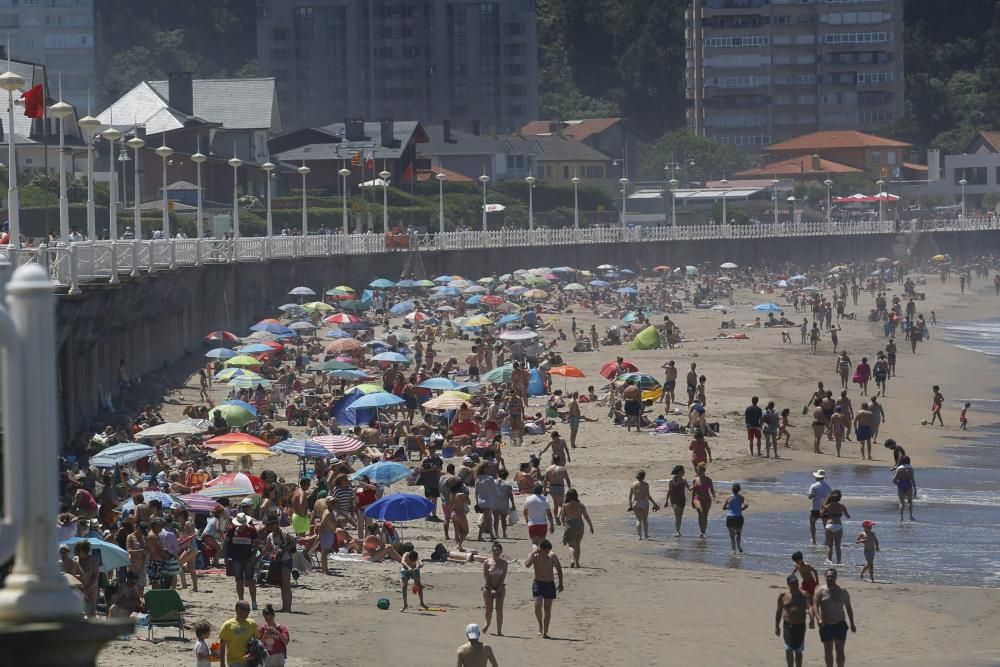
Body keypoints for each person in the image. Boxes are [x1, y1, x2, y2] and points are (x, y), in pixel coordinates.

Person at [813, 569, 857, 667]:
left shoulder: (842, 591)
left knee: (840, 651)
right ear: (825, 577)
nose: (830, 578)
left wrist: (852, 623)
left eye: (832, 576)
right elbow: (815, 606)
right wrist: (818, 619)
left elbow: (848, 608)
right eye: (828, 576)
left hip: (840, 624)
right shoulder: (820, 591)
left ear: (836, 577)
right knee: (828, 651)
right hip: (825, 625)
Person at [525, 539, 564, 639]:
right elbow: (527, 565)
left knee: (547, 609)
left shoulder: (552, 556)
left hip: (549, 584)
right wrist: (533, 553)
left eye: (548, 551)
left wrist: (561, 583)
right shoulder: (535, 555)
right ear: (540, 549)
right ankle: (540, 626)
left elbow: (559, 569)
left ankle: (546, 631)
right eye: (545, 551)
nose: (547, 553)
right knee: (537, 606)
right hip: (538, 583)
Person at [224, 512, 259, 610]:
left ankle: (254, 601)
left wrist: (253, 556)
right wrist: (226, 557)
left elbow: (257, 544)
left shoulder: (251, 530)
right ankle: (241, 601)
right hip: (236, 558)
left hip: (248, 558)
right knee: (238, 580)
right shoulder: (232, 530)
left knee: (251, 580)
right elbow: (225, 544)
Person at [776, 574, 810, 667]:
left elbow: (810, 607)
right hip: (787, 626)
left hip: (800, 626)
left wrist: (812, 619)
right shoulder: (783, 595)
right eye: (793, 583)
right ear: (788, 584)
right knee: (788, 649)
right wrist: (777, 626)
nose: (795, 584)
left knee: (798, 650)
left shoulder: (804, 595)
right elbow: (779, 611)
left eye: (796, 582)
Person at [263, 520, 294, 612]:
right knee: (282, 585)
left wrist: (284, 549)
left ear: (276, 524)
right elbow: (266, 549)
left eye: (273, 524)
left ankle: (288, 607)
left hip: (286, 560)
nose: (271, 526)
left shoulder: (284, 533)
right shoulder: (270, 536)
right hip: (277, 561)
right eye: (270, 525)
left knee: (286, 585)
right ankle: (285, 607)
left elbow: (292, 543)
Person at [559, 488, 594, 568]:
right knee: (578, 545)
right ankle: (577, 563)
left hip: (570, 525)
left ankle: (572, 560)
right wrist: (591, 526)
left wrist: (564, 525)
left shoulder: (565, 505)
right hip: (580, 525)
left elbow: (562, 518)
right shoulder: (580, 505)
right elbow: (586, 516)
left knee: (571, 545)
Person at [219, 600, 258, 667]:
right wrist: (222, 663)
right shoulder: (228, 625)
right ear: (238, 609)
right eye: (247, 610)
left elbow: (257, 642)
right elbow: (222, 646)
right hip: (234, 661)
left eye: (249, 610)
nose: (249, 612)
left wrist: (253, 654)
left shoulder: (252, 623)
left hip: (250, 661)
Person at [482, 541, 508, 636]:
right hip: (488, 588)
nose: (496, 552)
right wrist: (490, 589)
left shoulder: (504, 563)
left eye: (498, 550)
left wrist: (498, 589)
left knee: (499, 609)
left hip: (500, 587)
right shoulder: (487, 562)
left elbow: (502, 578)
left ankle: (499, 631)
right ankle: (488, 623)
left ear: (501, 551)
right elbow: (486, 576)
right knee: (489, 609)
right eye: (494, 551)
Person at [627, 470, 660, 540]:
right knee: (645, 519)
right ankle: (646, 535)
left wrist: (630, 505)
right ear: (644, 476)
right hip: (644, 503)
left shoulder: (633, 484)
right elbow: (648, 496)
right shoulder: (645, 484)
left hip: (636, 502)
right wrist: (655, 504)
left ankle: (639, 536)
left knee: (638, 520)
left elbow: (630, 496)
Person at [791, 551, 819, 628]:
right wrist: (791, 576)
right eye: (795, 561)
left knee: (811, 600)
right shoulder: (797, 565)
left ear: (801, 559)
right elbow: (794, 572)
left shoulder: (807, 565)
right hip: (804, 583)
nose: (796, 562)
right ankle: (805, 609)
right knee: (800, 595)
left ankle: (812, 615)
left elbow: (815, 571)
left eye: (797, 561)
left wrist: (817, 581)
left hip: (811, 583)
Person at [821, 491, 850, 564]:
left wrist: (824, 507)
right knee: (838, 546)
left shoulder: (828, 506)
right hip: (838, 526)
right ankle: (838, 562)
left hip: (829, 525)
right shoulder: (842, 506)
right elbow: (848, 516)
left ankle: (829, 561)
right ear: (839, 499)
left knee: (830, 546)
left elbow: (821, 514)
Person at [691, 463, 716, 539]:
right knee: (700, 512)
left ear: (703, 471)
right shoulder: (695, 480)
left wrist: (715, 498)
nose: (698, 472)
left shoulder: (708, 479)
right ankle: (702, 531)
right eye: (697, 471)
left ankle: (703, 532)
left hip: (707, 499)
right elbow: (693, 491)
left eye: (699, 471)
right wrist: (692, 500)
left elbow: (712, 490)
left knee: (705, 516)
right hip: (697, 498)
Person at [723, 482, 748, 554]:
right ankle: (739, 545)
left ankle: (733, 550)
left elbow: (723, 507)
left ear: (732, 489)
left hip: (730, 517)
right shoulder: (741, 497)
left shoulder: (728, 497)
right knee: (738, 533)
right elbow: (746, 505)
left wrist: (729, 508)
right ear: (739, 490)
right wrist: (741, 509)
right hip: (739, 517)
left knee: (732, 536)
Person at [665, 465, 689, 537]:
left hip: (681, 500)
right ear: (679, 472)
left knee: (679, 516)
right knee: (677, 516)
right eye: (683, 471)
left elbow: (689, 488)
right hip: (673, 500)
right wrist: (666, 501)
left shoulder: (684, 480)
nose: (684, 472)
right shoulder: (671, 481)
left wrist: (696, 485)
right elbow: (669, 491)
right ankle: (677, 531)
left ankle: (678, 531)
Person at [891, 456, 917, 521]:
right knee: (910, 502)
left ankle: (901, 518)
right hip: (908, 485)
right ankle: (911, 516)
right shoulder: (911, 468)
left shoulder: (899, 469)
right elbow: (912, 480)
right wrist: (915, 490)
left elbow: (893, 480)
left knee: (902, 503)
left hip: (901, 485)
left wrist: (899, 484)